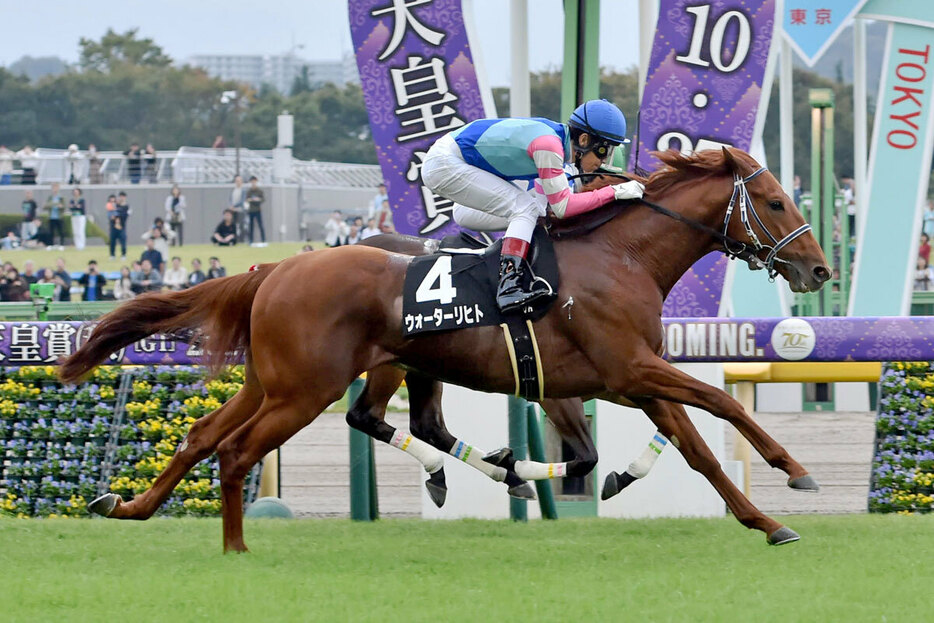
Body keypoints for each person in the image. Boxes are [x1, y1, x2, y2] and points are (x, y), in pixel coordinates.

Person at [421, 99, 643, 312]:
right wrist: (614, 192)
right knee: (526, 209)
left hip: (454, 169)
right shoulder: (550, 147)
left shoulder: (555, 144)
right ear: (584, 140)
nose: (603, 162)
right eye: (604, 150)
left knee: (533, 211)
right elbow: (563, 207)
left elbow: (465, 216)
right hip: (445, 163)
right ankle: (508, 285)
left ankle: (506, 272)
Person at [43, 182, 66, 249]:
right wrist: (52, 204)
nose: (55, 189)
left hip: (59, 217)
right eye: (53, 188)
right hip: (51, 217)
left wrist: (60, 206)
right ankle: (50, 245)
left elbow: (64, 206)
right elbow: (45, 206)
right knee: (51, 232)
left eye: (56, 187)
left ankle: (62, 245)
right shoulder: (50, 197)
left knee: (61, 232)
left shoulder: (61, 197)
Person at [246, 176, 266, 246]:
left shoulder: (259, 191)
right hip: (251, 210)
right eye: (252, 182)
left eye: (254, 182)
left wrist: (257, 200)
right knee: (251, 226)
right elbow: (247, 199)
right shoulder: (249, 191)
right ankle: (250, 240)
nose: (253, 183)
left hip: (258, 210)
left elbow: (263, 199)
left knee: (260, 225)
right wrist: (251, 200)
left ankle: (263, 240)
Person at [110, 192, 130, 260]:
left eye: (123, 196)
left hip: (122, 226)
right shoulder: (115, 205)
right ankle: (112, 255)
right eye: (120, 196)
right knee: (112, 241)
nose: (121, 198)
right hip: (113, 226)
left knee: (123, 241)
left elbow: (125, 215)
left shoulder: (126, 206)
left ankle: (123, 255)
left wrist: (118, 214)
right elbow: (111, 214)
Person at [229, 175, 247, 242]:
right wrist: (231, 206)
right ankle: (233, 239)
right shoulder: (233, 190)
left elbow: (242, 201)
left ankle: (242, 240)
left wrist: (234, 206)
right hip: (233, 211)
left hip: (240, 211)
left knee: (241, 226)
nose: (237, 182)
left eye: (239, 181)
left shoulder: (243, 190)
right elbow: (230, 199)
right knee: (233, 226)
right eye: (236, 181)